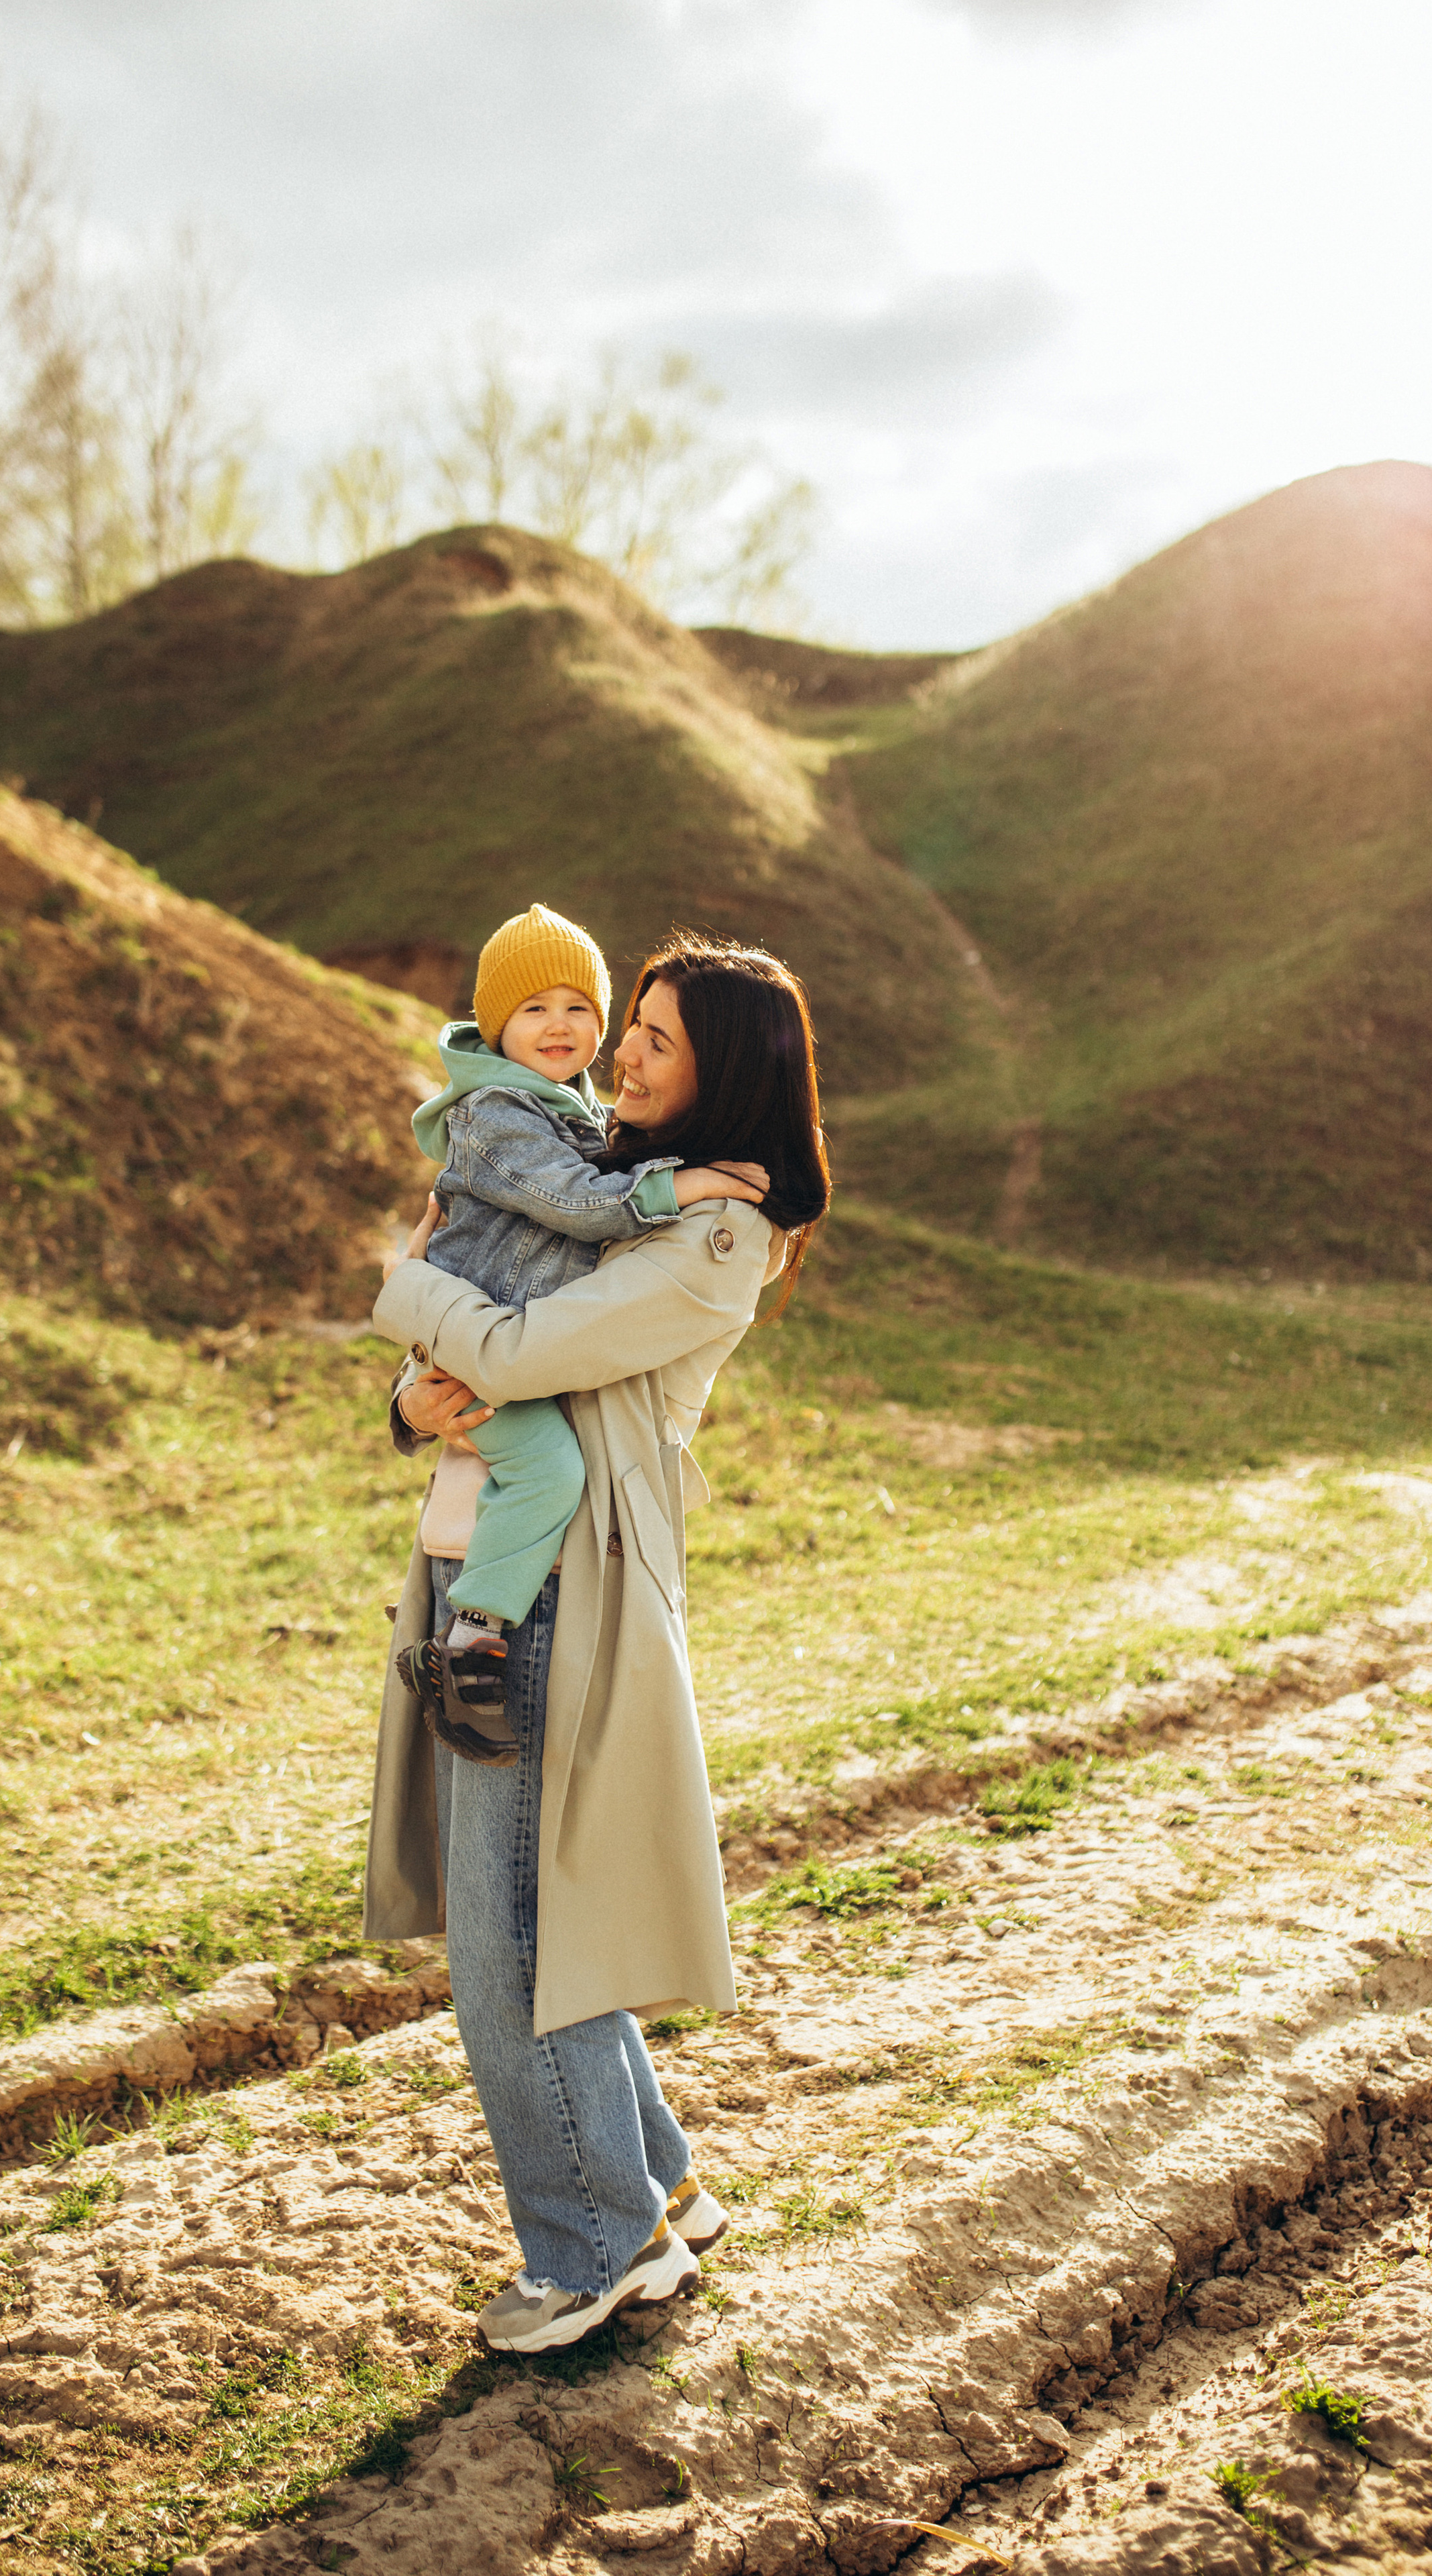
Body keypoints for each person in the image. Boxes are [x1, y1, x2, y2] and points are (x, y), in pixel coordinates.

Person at [367, 930, 831, 2354]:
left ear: (724, 1079)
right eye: (626, 1022)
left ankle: (592, 2243)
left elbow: (507, 1352)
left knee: (513, 1946)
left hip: (556, 1588)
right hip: (479, 1557)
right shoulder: (606, 1187)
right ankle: (658, 2190)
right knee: (521, 1920)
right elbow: (473, 1369)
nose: (621, 1053)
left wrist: (403, 1284)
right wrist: (405, 1400)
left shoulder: (710, 1238)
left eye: (657, 1041)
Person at [396, 901, 768, 1755]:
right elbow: (571, 1205)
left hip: (482, 1344)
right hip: (485, 1346)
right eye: (533, 1009)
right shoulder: (495, 1111)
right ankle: (471, 1644)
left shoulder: (575, 1112)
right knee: (548, 1470)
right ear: (495, 1025)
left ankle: (467, 1636)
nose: (560, 1025)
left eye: (580, 1008)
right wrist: (686, 1184)